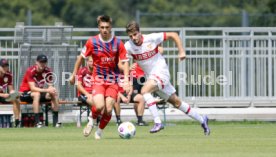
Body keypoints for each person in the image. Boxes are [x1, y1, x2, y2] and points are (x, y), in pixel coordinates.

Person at [124, 21, 210, 135]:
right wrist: (127, 76)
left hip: (161, 72)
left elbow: (173, 35)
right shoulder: (128, 46)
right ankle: (202, 120)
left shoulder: (151, 38)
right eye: (131, 36)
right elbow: (123, 62)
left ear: (140, 32)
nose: (134, 38)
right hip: (152, 77)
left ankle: (158, 122)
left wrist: (181, 51)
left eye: (135, 34)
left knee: (144, 90)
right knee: (177, 103)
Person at [70, 15, 131, 139]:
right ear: (98, 27)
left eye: (107, 27)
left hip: (113, 80)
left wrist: (126, 81)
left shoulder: (118, 43)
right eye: (102, 27)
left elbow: (125, 62)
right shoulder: (92, 42)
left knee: (108, 109)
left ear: (111, 27)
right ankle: (91, 121)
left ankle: (99, 131)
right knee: (99, 106)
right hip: (98, 79)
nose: (104, 30)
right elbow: (80, 58)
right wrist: (73, 74)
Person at [19, 54, 60, 128]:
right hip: (25, 93)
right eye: (41, 62)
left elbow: (50, 85)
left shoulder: (48, 71)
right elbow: (33, 88)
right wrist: (46, 90)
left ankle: (56, 122)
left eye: (44, 62)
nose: (42, 64)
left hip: (38, 92)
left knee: (54, 94)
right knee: (36, 94)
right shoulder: (30, 71)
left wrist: (51, 91)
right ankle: (38, 122)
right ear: (36, 62)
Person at [0, 59, 21, 127]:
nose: (5, 68)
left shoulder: (8, 75)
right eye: (3, 66)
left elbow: (11, 89)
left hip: (2, 96)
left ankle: (17, 122)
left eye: (6, 66)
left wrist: (15, 94)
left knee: (16, 99)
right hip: (2, 95)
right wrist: (3, 94)